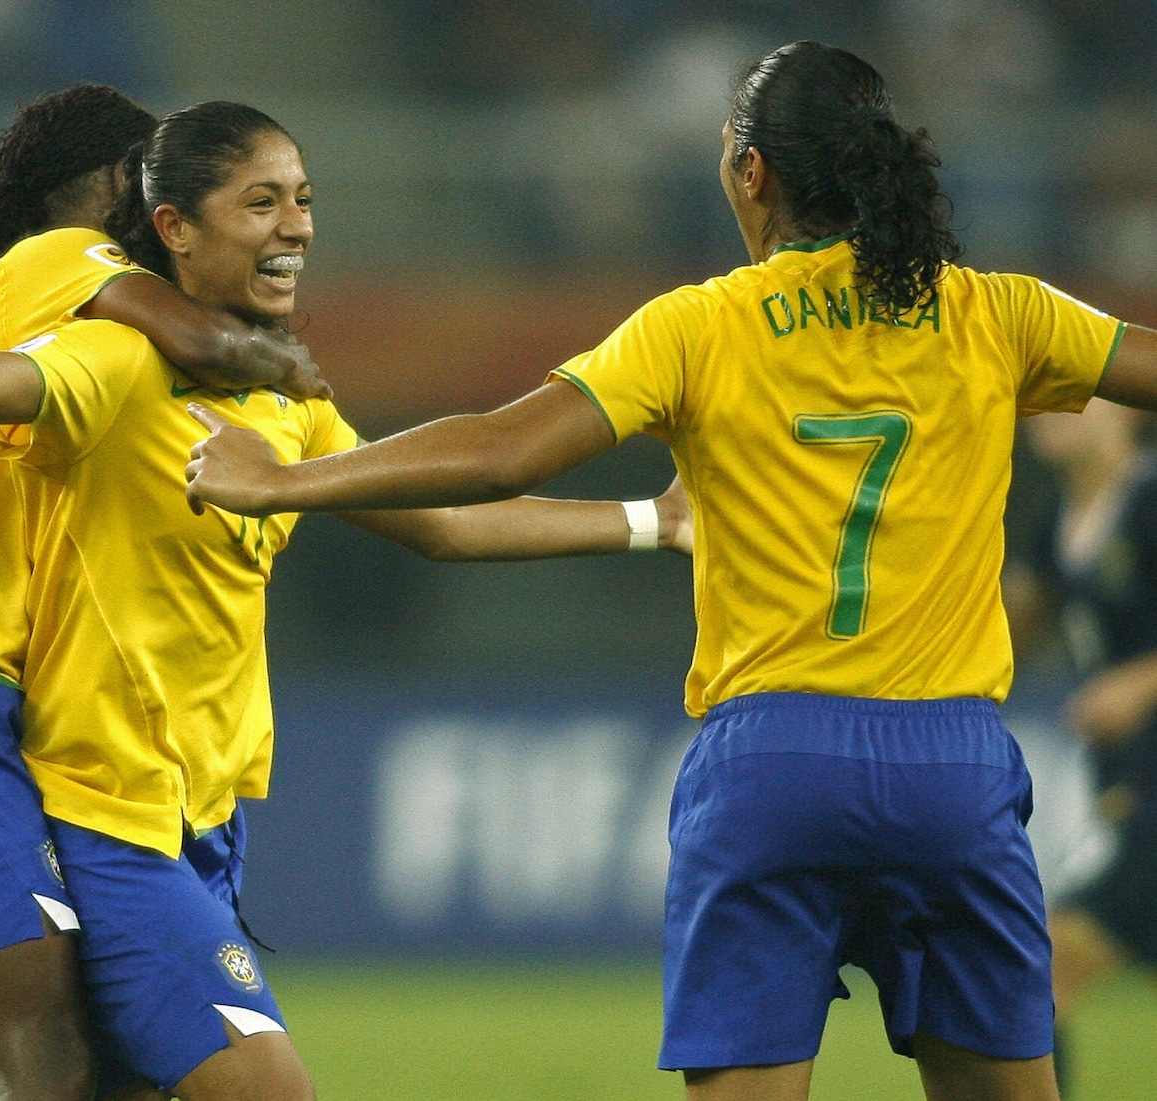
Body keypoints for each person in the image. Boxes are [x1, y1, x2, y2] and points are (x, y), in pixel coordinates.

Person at [184, 41, 1157, 1101]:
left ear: (751, 175)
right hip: (951, 765)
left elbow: (499, 448)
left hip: (771, 762)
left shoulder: (701, 325)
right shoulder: (995, 313)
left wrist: (281, 479)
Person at [0, 100, 690, 1101]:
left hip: (196, 819)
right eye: (260, 202)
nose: (296, 224)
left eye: (303, 200)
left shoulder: (291, 412)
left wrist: (653, 522)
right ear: (169, 225)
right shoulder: (113, 356)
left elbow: (444, 522)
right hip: (100, 802)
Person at [0, 83, 336, 1101]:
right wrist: (274, 359)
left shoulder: (44, 311)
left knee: (16, 1073)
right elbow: (193, 338)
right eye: (154, 185)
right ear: (117, 188)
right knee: (54, 1060)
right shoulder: (63, 258)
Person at [1003, 399, 1157, 1097]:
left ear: (1130, 413)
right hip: (1125, 788)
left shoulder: (1150, 500)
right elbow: (1002, 636)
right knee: (1027, 981)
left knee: (1032, 978)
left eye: (1079, 389)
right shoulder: (1055, 522)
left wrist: (1140, 681)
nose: (1052, 405)